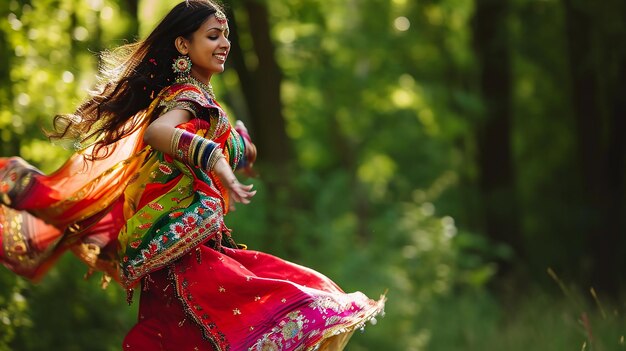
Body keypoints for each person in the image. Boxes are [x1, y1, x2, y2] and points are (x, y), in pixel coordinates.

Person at [0, 1, 385, 350]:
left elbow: (227, 143)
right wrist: (215, 159)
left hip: (191, 253)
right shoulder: (187, 97)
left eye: (227, 36)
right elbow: (159, 133)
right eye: (213, 35)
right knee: (291, 300)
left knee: (269, 305)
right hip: (184, 257)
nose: (224, 44)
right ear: (183, 46)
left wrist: (241, 152)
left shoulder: (205, 102)